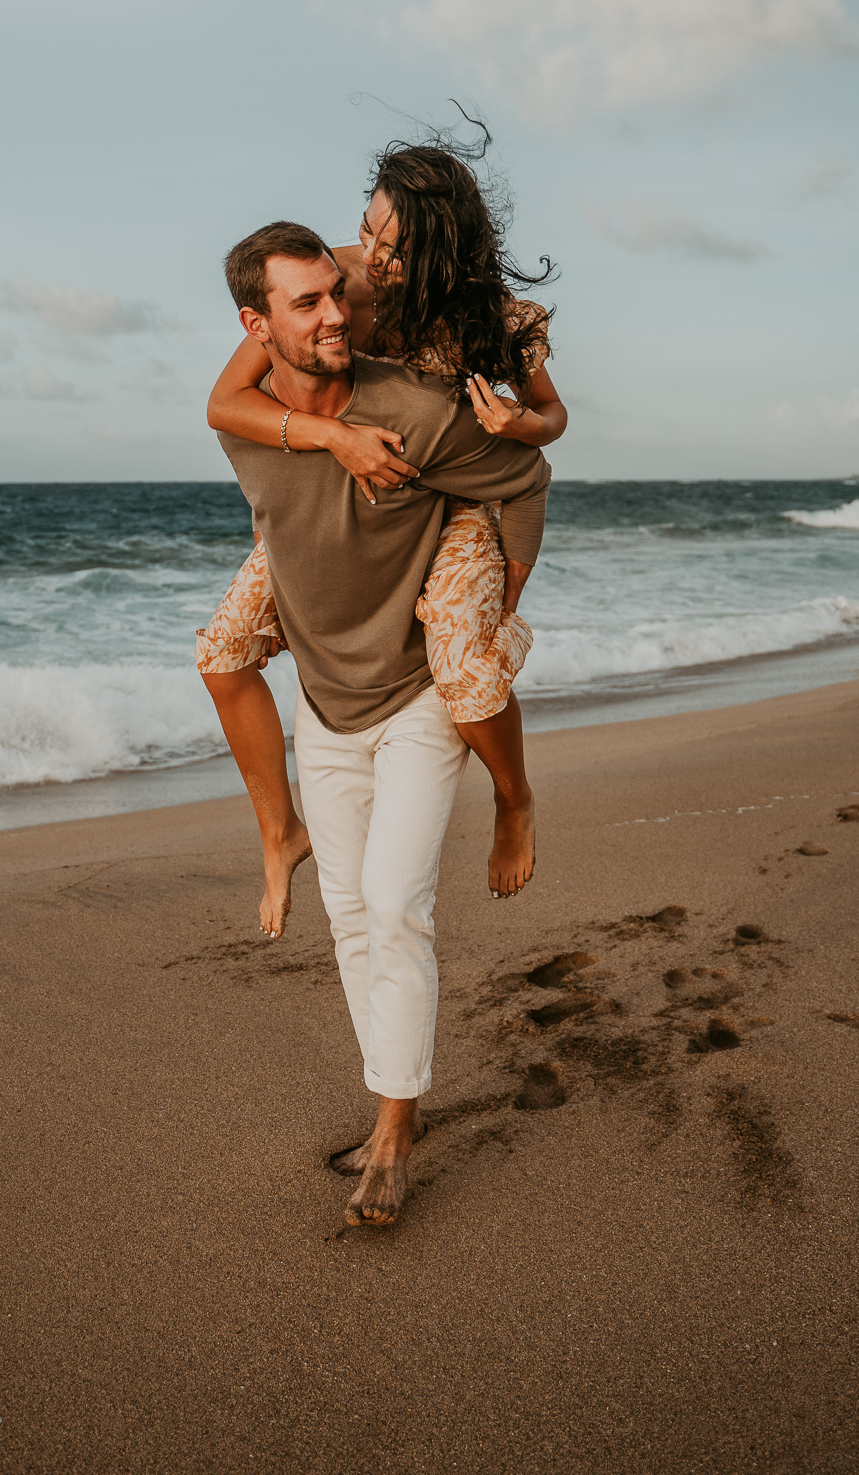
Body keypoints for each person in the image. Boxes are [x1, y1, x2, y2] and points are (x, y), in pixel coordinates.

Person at [209, 218, 554, 1226]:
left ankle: (395, 1130)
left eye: (336, 293)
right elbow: (229, 409)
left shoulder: (416, 404)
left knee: (397, 908)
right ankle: (388, 1094)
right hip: (324, 701)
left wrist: (502, 607)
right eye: (304, 302)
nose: (332, 315)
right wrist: (327, 437)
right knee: (351, 920)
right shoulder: (245, 421)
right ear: (254, 322)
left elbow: (525, 477)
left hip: (415, 698)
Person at [199, 142, 567, 943]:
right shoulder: (331, 286)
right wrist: (332, 438)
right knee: (223, 653)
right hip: (363, 480)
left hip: (462, 491)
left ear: (441, 243)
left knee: (466, 667)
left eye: (392, 242)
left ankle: (515, 800)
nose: (368, 255)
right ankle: (279, 833)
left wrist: (517, 424)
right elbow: (227, 402)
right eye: (367, 227)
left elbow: (550, 428)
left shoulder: (497, 320)